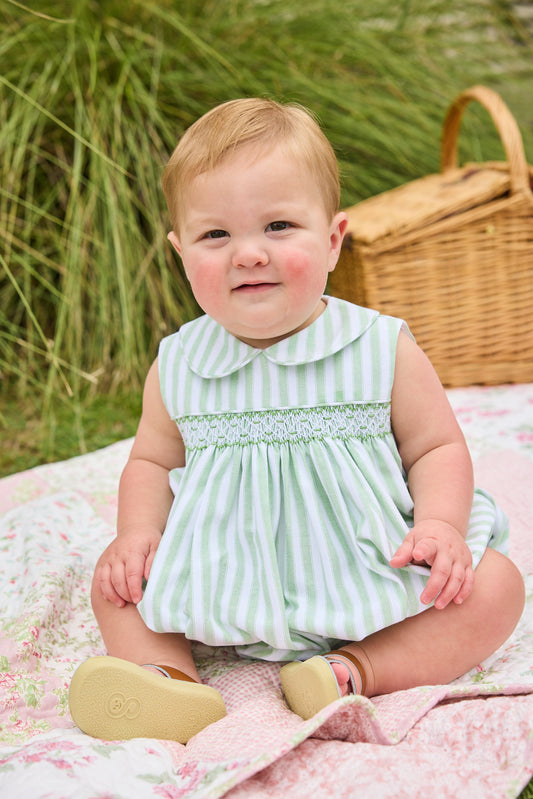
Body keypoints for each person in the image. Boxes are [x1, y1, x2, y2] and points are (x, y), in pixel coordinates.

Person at [68, 98, 525, 743]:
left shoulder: (379, 347)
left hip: (369, 568)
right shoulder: (179, 363)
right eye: (215, 235)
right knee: (113, 586)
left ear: (333, 240)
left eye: (279, 226)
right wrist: (136, 535)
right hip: (225, 575)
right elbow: (151, 461)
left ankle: (352, 670)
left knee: (497, 586)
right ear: (180, 251)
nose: (248, 254)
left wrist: (440, 525)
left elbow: (436, 446)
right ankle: (170, 684)